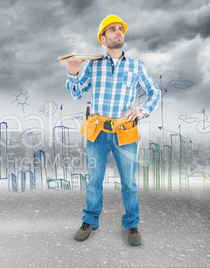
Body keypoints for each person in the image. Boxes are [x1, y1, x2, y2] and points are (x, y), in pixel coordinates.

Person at [65, 14, 161, 247]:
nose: (119, 32)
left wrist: (143, 110)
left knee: (128, 181)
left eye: (120, 29)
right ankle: (90, 221)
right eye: (112, 30)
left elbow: (154, 92)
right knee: (94, 180)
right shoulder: (93, 65)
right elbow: (77, 94)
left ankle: (132, 224)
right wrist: (73, 72)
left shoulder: (136, 66)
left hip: (125, 133)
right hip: (97, 132)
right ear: (103, 37)